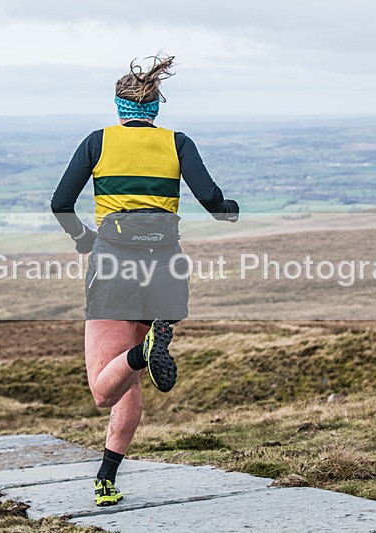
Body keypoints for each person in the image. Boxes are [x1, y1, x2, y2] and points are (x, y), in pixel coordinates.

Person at [50, 55, 239, 507]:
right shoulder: (178, 142)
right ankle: (107, 478)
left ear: (119, 107)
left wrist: (83, 239)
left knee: (103, 388)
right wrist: (229, 209)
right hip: (166, 267)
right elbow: (213, 200)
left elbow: (61, 202)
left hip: (115, 264)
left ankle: (143, 351)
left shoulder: (98, 142)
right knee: (129, 382)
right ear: (156, 109)